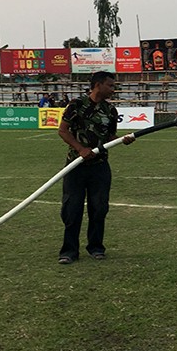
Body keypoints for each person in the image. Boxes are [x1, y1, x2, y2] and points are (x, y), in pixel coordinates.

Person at [56, 71, 135, 264]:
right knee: (72, 209)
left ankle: (96, 247)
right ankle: (69, 251)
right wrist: (80, 149)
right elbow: (63, 130)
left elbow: (109, 137)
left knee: (99, 208)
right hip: (76, 166)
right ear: (98, 85)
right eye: (110, 85)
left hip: (100, 167)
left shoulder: (110, 111)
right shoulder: (77, 105)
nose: (113, 89)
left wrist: (121, 140)